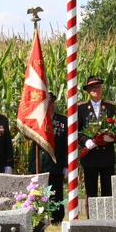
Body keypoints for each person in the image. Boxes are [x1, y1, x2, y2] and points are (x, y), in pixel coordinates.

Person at [78, 76, 116, 218]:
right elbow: (76, 131)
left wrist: (112, 138)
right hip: (90, 156)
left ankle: (108, 216)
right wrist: (85, 141)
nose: (96, 90)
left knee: (108, 189)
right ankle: (92, 218)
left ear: (102, 89)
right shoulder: (81, 108)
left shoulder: (110, 107)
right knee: (91, 190)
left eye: (98, 87)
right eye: (93, 88)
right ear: (88, 90)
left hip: (106, 155)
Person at [27, 92, 67, 223]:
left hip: (56, 163)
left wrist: (66, 165)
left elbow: (66, 144)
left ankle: (56, 218)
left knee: (56, 192)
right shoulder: (34, 119)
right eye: (47, 103)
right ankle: (38, 217)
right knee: (38, 193)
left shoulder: (62, 121)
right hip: (38, 162)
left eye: (52, 103)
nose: (50, 106)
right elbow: (27, 136)